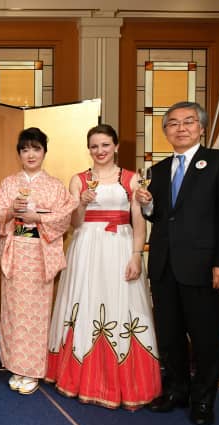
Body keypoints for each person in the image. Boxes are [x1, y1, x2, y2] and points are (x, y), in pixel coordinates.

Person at [135, 101, 219, 425]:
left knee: (206, 338)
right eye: (173, 123)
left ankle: (203, 400)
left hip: (205, 267)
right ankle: (176, 391)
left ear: (201, 128)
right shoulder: (157, 169)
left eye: (188, 122)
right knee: (169, 337)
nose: (180, 128)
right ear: (165, 130)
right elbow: (157, 216)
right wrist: (148, 205)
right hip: (165, 265)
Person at [45, 124, 161, 409]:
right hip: (86, 248)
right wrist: (81, 205)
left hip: (119, 248)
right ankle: (78, 378)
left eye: (105, 145)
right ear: (89, 149)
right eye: (94, 146)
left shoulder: (132, 180)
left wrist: (136, 255)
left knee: (121, 307)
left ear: (116, 146)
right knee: (84, 304)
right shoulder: (79, 180)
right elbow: (73, 223)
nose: (100, 151)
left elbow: (138, 222)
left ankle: (124, 383)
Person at [0, 127, 77, 396]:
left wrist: (38, 218)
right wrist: (10, 210)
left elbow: (65, 218)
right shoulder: (8, 183)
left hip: (40, 254)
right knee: (14, 312)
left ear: (44, 152)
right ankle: (16, 366)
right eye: (25, 149)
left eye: (35, 148)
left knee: (36, 314)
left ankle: (32, 369)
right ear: (19, 154)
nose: (30, 154)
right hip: (16, 253)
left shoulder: (54, 186)